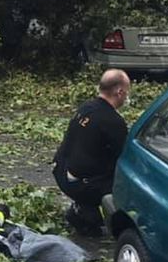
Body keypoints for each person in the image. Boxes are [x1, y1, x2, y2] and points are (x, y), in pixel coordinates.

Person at [53, 69, 130, 236]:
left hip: (60, 170)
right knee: (129, 182)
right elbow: (126, 157)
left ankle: (86, 210)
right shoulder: (113, 122)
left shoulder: (86, 107)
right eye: (127, 92)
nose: (127, 97)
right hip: (80, 183)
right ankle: (84, 212)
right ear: (119, 92)